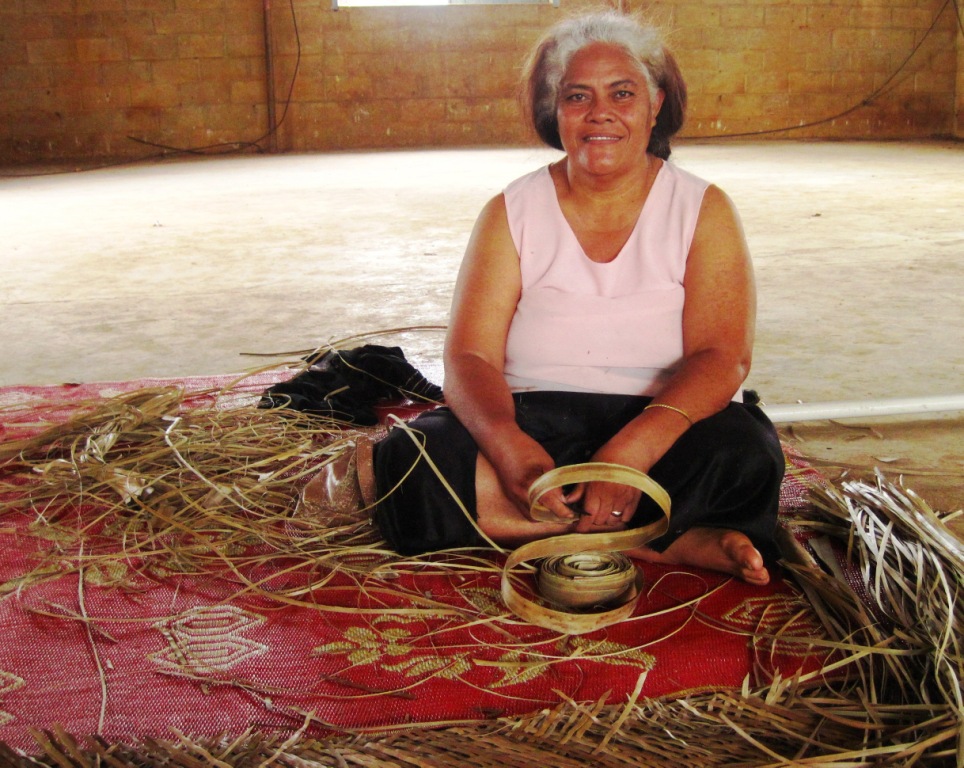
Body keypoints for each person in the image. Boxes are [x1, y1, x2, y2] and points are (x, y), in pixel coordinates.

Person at [366, 11, 784, 586]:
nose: (600, 114)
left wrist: (629, 455)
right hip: (535, 421)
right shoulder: (510, 211)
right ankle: (663, 543)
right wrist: (508, 444)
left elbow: (723, 356)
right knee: (412, 458)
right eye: (577, 97)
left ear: (655, 104)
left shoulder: (702, 208)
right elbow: (469, 359)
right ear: (554, 111)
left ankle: (530, 526)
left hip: (660, 425)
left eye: (622, 93)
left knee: (746, 453)